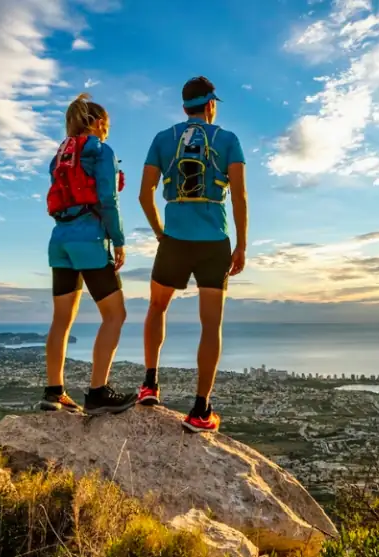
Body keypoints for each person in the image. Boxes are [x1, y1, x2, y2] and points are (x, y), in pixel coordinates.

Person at [138, 76, 248, 433]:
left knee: (157, 307)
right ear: (211, 104)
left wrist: (160, 233)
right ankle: (201, 409)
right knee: (211, 324)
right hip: (214, 242)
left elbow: (144, 194)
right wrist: (241, 245)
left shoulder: (163, 139)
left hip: (174, 238)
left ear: (184, 107)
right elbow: (239, 197)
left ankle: (150, 385)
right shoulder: (228, 140)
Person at [39, 93, 138, 415]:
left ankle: (54, 392)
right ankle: (98, 393)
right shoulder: (101, 152)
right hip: (89, 239)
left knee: (61, 320)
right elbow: (108, 200)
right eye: (105, 125)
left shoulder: (59, 159)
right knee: (115, 315)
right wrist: (118, 241)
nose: (107, 131)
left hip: (60, 240)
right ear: (95, 123)